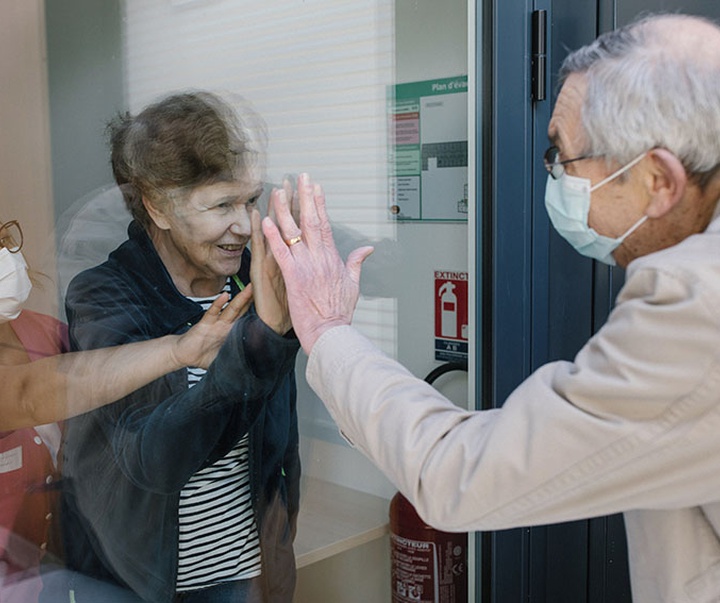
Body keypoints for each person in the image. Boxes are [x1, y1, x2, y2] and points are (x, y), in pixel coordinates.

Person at [263, 14, 720, 603]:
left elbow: (459, 475)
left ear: (658, 179)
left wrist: (327, 331)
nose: (553, 176)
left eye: (564, 159)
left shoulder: (696, 303)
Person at [61, 91, 300, 603]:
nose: (245, 225)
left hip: (245, 573)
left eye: (250, 201)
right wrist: (261, 344)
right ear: (158, 207)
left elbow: (279, 445)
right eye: (222, 205)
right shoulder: (103, 298)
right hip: (137, 583)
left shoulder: (255, 281)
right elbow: (156, 461)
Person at [0, 217, 252, 603]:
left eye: (3, 238)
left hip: (48, 569)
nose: (6, 257)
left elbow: (105, 379)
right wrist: (176, 351)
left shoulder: (42, 332)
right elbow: (27, 393)